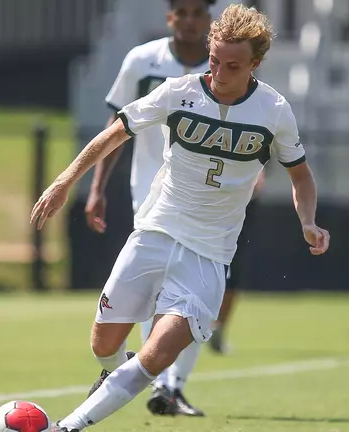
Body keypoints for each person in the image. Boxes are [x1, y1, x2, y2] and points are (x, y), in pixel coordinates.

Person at [31, 4, 329, 431]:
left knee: (157, 354)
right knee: (102, 346)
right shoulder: (179, 91)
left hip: (207, 257)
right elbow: (113, 132)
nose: (220, 73)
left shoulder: (274, 110)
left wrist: (308, 221)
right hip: (153, 233)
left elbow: (301, 177)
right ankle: (118, 372)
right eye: (214, 61)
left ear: (255, 64)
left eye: (233, 65)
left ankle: (66, 427)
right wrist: (65, 183)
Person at [85, 0, 216, 417]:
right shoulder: (142, 62)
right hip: (152, 197)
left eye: (199, 12)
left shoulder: (226, 65)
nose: (191, 20)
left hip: (208, 205)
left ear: (209, 18)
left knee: (196, 297)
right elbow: (116, 128)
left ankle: (169, 385)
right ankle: (150, 379)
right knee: (160, 290)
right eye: (184, 11)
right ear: (170, 17)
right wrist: (97, 187)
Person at [208, 170, 263, 354]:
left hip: (226, 210)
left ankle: (214, 326)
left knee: (229, 273)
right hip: (227, 209)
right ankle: (215, 325)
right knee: (229, 273)